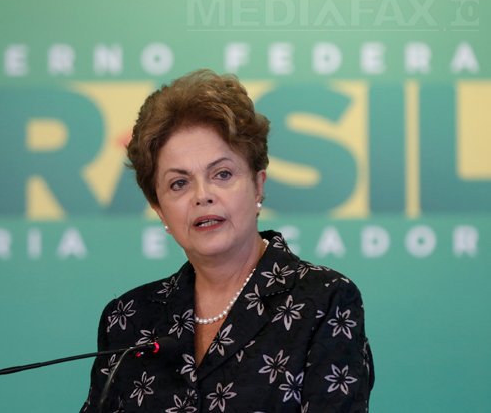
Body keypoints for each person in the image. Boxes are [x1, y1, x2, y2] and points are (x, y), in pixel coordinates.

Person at [81, 70, 374, 412]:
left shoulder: (323, 300)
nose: (202, 196)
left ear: (258, 185)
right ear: (159, 209)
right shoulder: (129, 320)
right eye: (179, 183)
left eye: (222, 174)